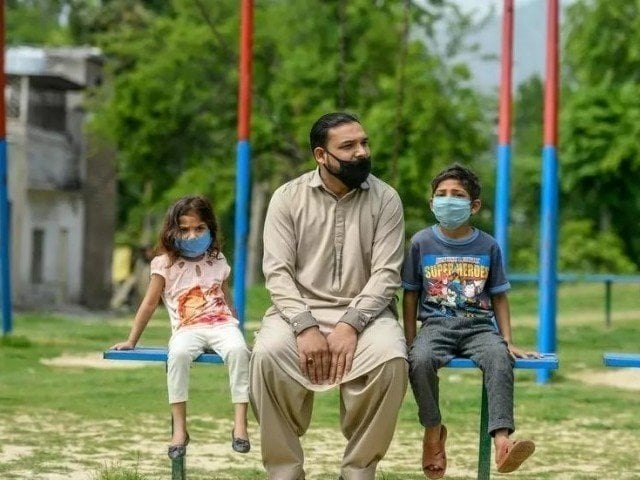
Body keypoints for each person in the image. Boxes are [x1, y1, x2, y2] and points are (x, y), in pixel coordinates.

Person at [249, 112, 408, 480]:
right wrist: (305, 327)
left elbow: (387, 274)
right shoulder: (287, 198)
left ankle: (358, 471)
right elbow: (277, 273)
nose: (362, 153)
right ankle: (284, 471)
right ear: (321, 155)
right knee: (267, 355)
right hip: (296, 313)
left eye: (364, 143)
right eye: (348, 146)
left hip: (367, 316)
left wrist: (350, 324)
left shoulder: (386, 199)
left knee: (391, 359)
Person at [401, 164, 539, 479]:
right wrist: (409, 339)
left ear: (474, 205)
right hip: (436, 327)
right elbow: (410, 294)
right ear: (432, 202)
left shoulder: (488, 245)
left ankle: (503, 442)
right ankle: (433, 431)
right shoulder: (421, 242)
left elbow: (500, 296)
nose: (448, 200)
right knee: (419, 360)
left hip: (479, 328)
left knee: (500, 359)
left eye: (458, 195)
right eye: (441, 195)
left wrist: (507, 340)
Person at [110, 195, 251, 459]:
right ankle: (179, 429)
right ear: (172, 231)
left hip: (222, 324)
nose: (191, 235)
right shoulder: (164, 264)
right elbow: (149, 304)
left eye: (199, 229)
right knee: (178, 355)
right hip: (187, 328)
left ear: (209, 228)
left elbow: (227, 298)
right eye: (184, 230)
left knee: (238, 352)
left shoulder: (217, 259)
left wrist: (238, 333)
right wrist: (132, 340)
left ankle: (240, 424)